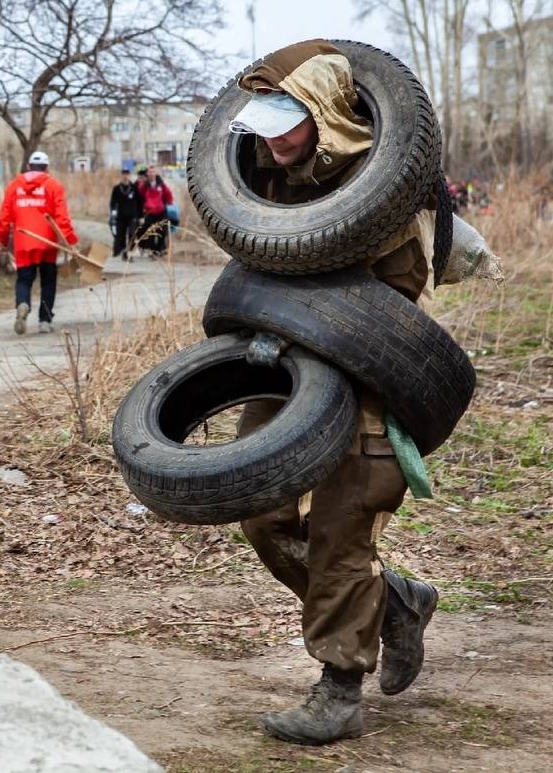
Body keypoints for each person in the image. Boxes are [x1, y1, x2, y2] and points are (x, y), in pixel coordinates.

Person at [227, 39, 441, 745]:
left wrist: (326, 308)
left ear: (324, 117)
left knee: (343, 526)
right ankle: (394, 605)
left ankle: (339, 687)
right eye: (261, 123)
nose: (271, 140)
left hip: (361, 372)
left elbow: (400, 296)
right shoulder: (261, 178)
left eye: (285, 122)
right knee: (261, 513)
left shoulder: (383, 196)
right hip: (279, 365)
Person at [0, 151, 77, 334]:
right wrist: (70, 240)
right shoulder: (53, 185)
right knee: (48, 280)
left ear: (28, 167)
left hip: (23, 241)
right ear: (46, 168)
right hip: (47, 242)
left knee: (24, 279)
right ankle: (45, 321)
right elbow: (62, 217)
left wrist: (1, 240)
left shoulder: (14, 186)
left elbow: (4, 218)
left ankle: (23, 304)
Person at [136, 166, 174, 256]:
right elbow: (140, 195)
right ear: (147, 174)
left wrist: (169, 201)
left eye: (153, 172)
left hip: (161, 211)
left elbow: (168, 194)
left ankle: (160, 250)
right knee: (150, 232)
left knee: (162, 232)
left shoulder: (161, 184)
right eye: (149, 172)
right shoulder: (144, 185)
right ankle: (152, 251)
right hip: (149, 212)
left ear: (155, 173)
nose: (151, 174)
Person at [109, 167, 141, 259]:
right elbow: (113, 202)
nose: (125, 176)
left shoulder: (134, 188)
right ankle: (122, 251)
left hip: (132, 216)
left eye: (127, 174)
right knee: (121, 235)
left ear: (129, 175)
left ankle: (130, 251)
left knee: (132, 233)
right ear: (121, 175)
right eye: (123, 174)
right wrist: (113, 211)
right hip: (121, 216)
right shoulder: (116, 189)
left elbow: (139, 202)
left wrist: (140, 215)